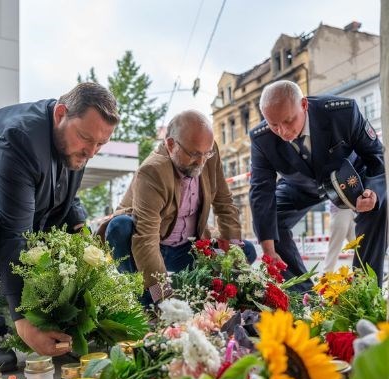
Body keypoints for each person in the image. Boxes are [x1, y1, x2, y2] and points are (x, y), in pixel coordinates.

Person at [0, 82, 119, 371]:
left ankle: (53, 322)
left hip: (13, 200)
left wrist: (81, 233)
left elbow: (65, 198)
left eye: (100, 144)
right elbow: (15, 235)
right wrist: (23, 322)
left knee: (70, 235)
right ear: (61, 113)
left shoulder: (78, 140)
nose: (91, 151)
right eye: (87, 139)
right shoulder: (18, 138)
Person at [100, 110, 256, 305]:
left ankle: (200, 297)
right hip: (152, 248)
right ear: (171, 144)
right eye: (193, 154)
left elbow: (224, 201)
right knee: (119, 227)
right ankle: (144, 298)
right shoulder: (152, 171)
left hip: (188, 250)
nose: (201, 162)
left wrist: (231, 246)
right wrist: (163, 295)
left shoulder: (207, 152)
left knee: (245, 250)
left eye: (206, 154)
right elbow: (146, 238)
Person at [249, 80, 386, 288]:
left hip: (350, 179)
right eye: (274, 125)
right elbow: (261, 191)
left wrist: (372, 191)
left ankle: (365, 290)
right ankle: (305, 296)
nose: (283, 132)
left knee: (379, 207)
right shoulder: (262, 139)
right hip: (300, 186)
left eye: (288, 121)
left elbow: (375, 155)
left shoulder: (342, 112)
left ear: (304, 105)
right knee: (270, 221)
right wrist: (268, 248)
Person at [322, 203, 356, 274]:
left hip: (353, 209)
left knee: (359, 245)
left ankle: (364, 273)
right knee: (335, 246)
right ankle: (326, 277)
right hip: (340, 208)